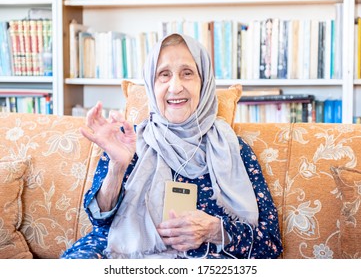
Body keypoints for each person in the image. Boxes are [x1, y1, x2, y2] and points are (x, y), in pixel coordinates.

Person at [61, 33, 283, 259]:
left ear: (203, 83)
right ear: (151, 84)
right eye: (164, 75)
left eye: (187, 74)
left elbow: (271, 245)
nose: (175, 87)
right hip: (125, 253)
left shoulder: (235, 148)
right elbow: (100, 221)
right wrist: (117, 168)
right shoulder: (128, 139)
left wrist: (216, 231)